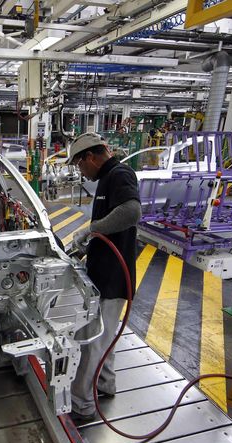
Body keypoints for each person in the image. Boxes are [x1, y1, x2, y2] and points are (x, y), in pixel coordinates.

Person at [66, 133, 142, 424]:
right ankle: (105, 384)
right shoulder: (107, 180)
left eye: (79, 165)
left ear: (90, 157)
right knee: (105, 337)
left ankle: (81, 405)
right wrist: (87, 245)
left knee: (92, 341)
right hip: (105, 271)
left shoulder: (119, 174)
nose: (80, 172)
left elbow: (131, 212)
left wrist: (92, 229)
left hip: (113, 276)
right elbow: (108, 228)